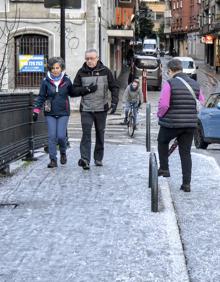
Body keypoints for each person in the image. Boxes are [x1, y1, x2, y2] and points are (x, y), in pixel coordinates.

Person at [33, 56, 97, 168]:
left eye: (57, 68)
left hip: (63, 112)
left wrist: (86, 90)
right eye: (53, 68)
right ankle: (53, 160)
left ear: (61, 68)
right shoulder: (45, 81)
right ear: (50, 69)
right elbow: (41, 97)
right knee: (52, 136)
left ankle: (63, 152)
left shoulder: (66, 80)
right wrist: (36, 111)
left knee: (61, 136)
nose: (55, 70)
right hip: (50, 112)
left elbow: (73, 92)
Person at [157, 58, 205, 192]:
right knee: (185, 153)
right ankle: (186, 184)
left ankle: (164, 168)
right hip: (189, 125)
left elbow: (164, 105)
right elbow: (201, 102)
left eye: (168, 72)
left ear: (171, 70)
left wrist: (160, 115)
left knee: (162, 141)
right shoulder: (195, 84)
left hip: (172, 124)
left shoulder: (169, 84)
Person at [73, 48, 119, 170]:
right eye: (87, 59)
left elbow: (114, 87)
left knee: (100, 133)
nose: (89, 61)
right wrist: (86, 89)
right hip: (86, 109)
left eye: (92, 58)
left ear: (97, 58)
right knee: (86, 134)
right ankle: (85, 160)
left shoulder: (105, 71)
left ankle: (98, 158)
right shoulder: (81, 72)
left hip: (101, 108)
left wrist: (114, 102)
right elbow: (73, 90)